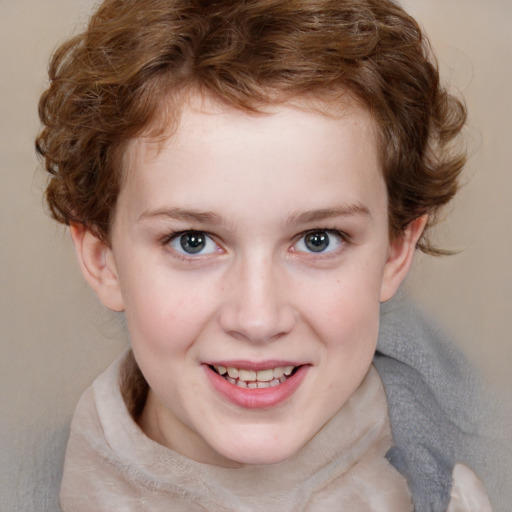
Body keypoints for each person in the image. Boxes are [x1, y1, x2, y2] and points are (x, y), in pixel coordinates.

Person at [36, 0, 495, 510]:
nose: (258, 319)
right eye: (193, 241)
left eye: (319, 239)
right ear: (105, 261)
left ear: (394, 252)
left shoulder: (450, 494)